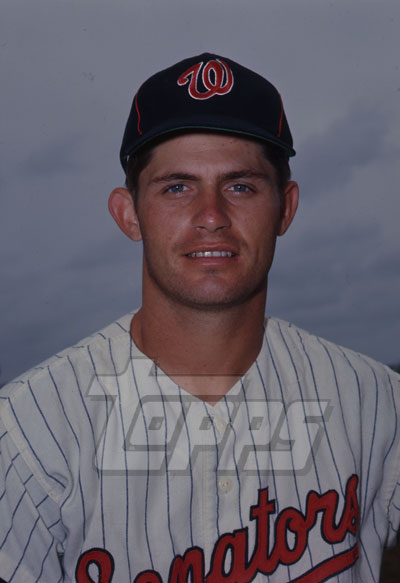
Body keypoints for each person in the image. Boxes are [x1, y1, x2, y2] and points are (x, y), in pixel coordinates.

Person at [0, 53, 399, 583]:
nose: (211, 216)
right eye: (177, 187)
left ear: (285, 208)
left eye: (240, 186)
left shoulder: (377, 403)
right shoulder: (29, 431)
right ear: (128, 213)